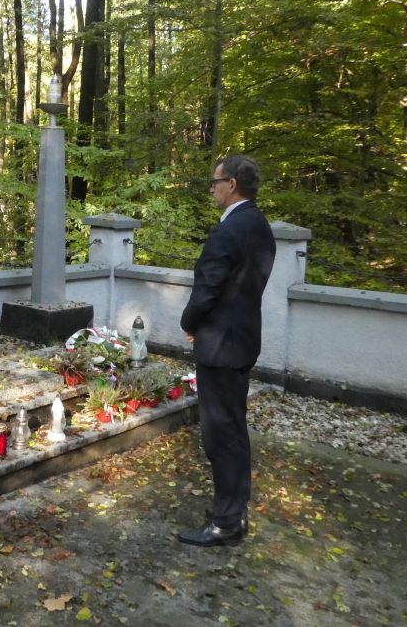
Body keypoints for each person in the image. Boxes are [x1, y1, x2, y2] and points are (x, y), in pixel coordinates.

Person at [178, 155, 276, 547]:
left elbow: (208, 289)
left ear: (232, 184)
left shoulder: (229, 231)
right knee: (234, 430)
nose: (212, 188)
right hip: (242, 340)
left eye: (215, 181)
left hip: (221, 346)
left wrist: (189, 322)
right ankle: (235, 509)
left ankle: (226, 522)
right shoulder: (259, 225)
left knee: (221, 435)